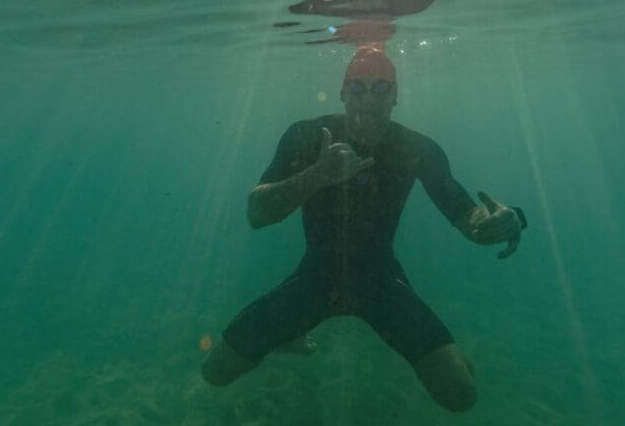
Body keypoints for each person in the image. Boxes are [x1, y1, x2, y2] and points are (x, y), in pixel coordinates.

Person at [202, 46, 527, 413]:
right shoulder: (307, 136)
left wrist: (503, 220)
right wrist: (318, 175)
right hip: (315, 279)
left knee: (461, 396)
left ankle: (444, 357)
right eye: (358, 88)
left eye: (381, 88)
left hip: (381, 281)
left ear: (396, 95)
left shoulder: (417, 148)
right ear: (342, 92)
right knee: (214, 372)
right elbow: (256, 214)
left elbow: (468, 218)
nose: (369, 101)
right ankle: (287, 335)